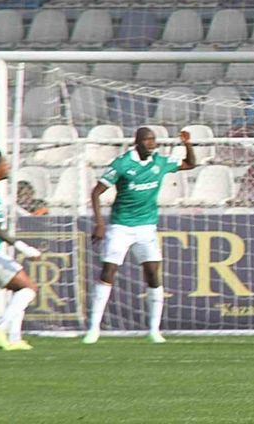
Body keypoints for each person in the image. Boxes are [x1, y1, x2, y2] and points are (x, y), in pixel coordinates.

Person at [82, 128, 196, 345]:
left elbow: (190, 164)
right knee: (109, 271)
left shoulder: (160, 162)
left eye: (153, 139)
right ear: (137, 142)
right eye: (147, 140)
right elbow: (96, 192)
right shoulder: (122, 164)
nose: (152, 143)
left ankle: (154, 330)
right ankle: (93, 329)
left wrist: (187, 145)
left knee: (153, 272)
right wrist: (99, 223)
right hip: (121, 226)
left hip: (146, 228)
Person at [0, 148, 41, 351]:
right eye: (4, 162)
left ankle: (14, 338)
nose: (7, 165)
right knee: (29, 289)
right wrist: (23, 247)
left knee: (20, 287)